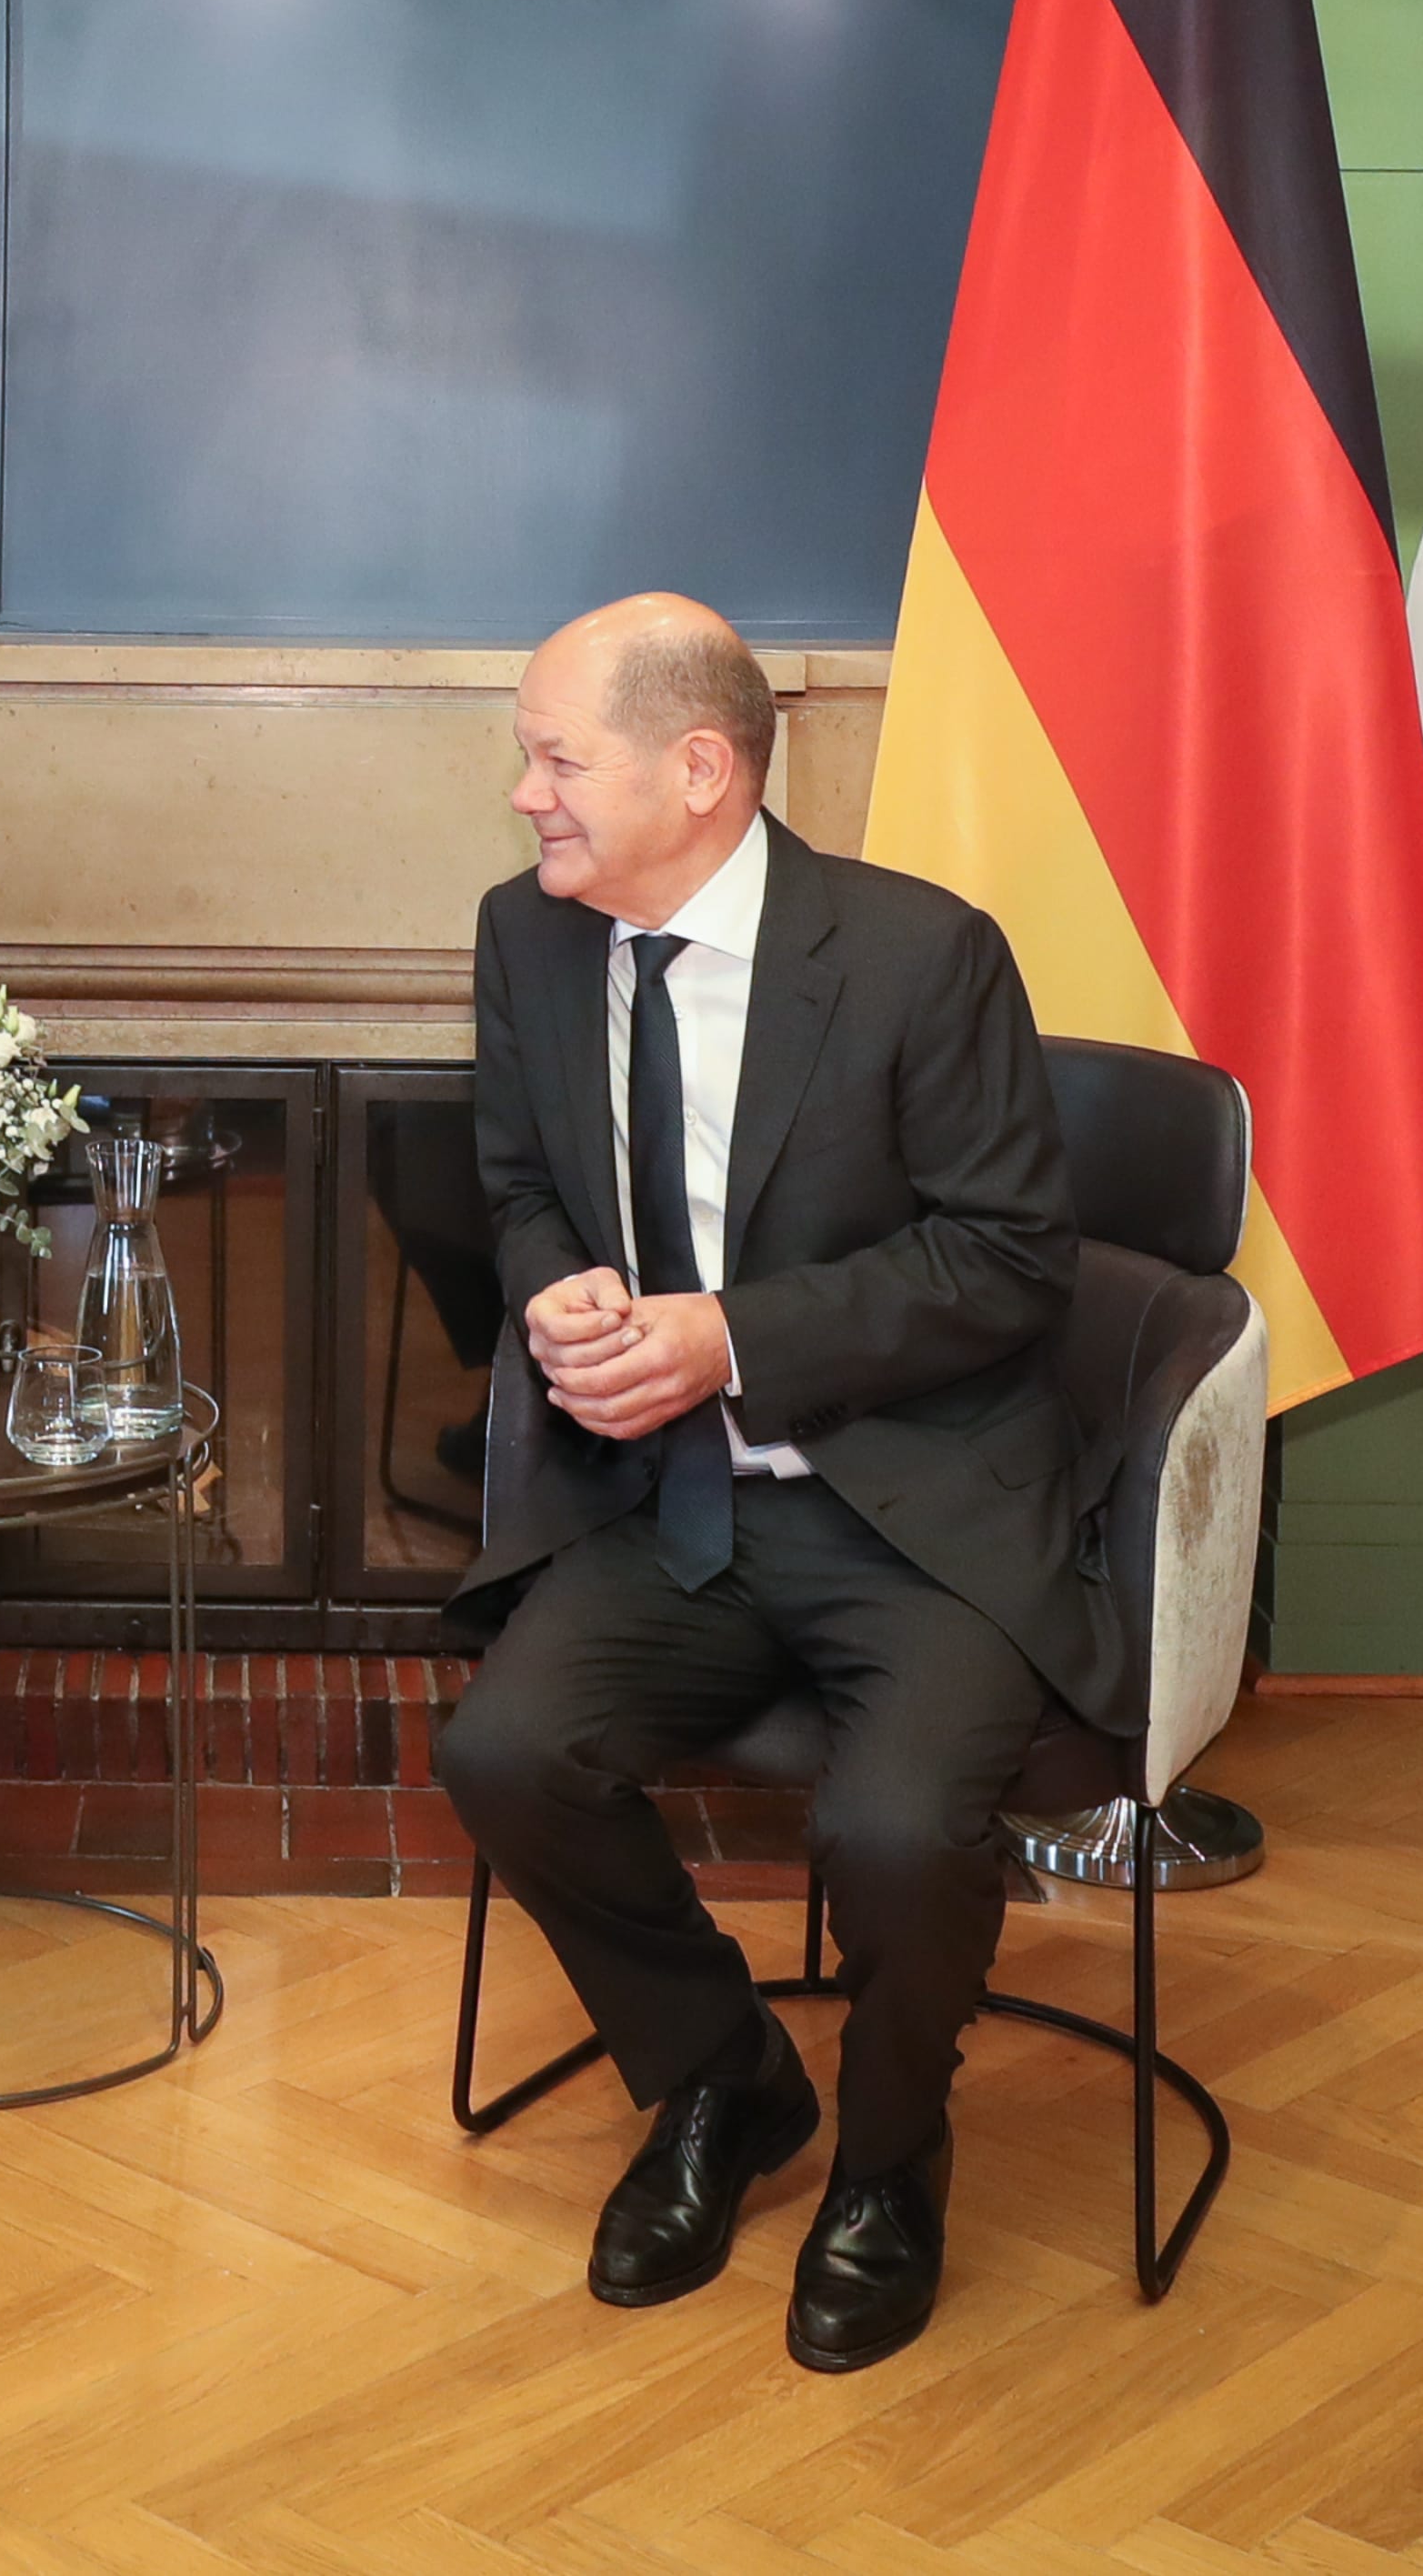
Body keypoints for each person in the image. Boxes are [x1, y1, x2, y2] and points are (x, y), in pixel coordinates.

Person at [433, 594, 1117, 2375]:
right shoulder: (529, 940)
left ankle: (891, 2167)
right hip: (674, 1509)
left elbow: (1009, 1262)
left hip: (914, 1508)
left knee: (894, 1833)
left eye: (557, 757)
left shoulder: (916, 958)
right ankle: (727, 2086)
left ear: (702, 770)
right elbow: (517, 1179)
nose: (526, 797)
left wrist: (733, 1334)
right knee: (503, 1752)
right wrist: (552, 1282)